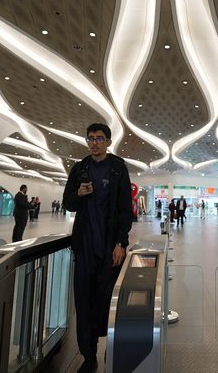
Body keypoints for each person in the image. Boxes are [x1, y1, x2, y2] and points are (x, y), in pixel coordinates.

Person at [63, 123, 132, 373]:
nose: (94, 143)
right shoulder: (79, 168)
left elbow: (126, 209)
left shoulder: (117, 169)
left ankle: (109, 348)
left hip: (109, 249)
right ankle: (88, 355)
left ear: (108, 142)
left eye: (99, 138)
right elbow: (67, 203)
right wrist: (78, 193)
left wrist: (120, 243)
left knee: (105, 301)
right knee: (83, 301)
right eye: (90, 138)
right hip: (84, 247)